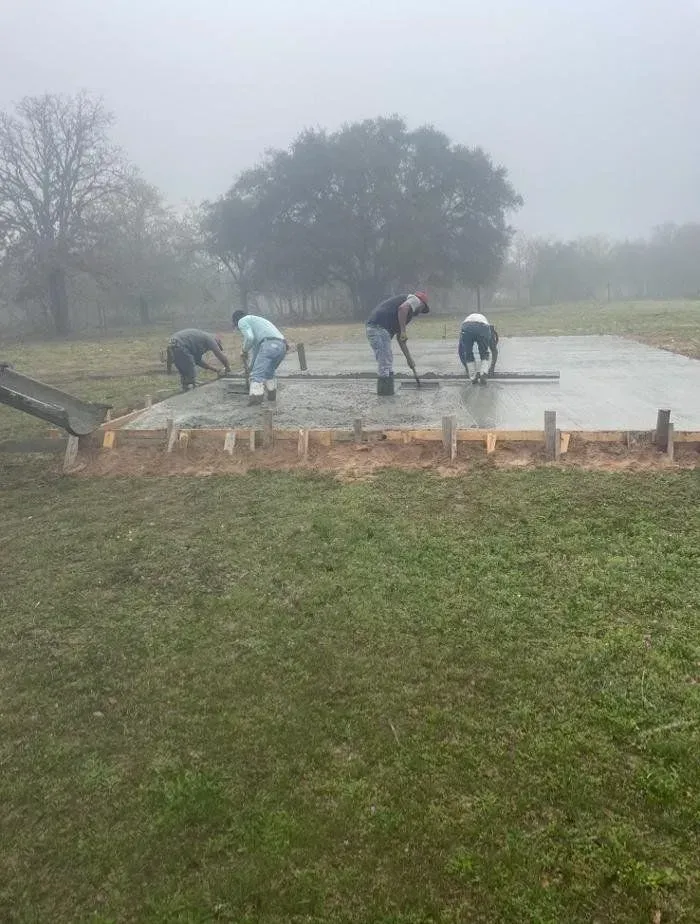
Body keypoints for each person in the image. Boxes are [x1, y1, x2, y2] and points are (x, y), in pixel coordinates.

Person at [366, 292, 430, 395]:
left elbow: (401, 339)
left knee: (387, 360)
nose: (420, 312)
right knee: (385, 361)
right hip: (378, 328)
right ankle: (385, 394)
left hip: (379, 329)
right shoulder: (414, 299)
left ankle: (387, 391)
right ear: (422, 304)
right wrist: (404, 331)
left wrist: (409, 359)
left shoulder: (405, 316)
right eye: (422, 309)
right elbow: (402, 308)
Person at [231, 310, 288, 405]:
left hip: (269, 345)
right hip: (282, 346)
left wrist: (244, 350)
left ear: (236, 321)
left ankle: (255, 401)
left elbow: (249, 338)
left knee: (257, 375)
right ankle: (271, 397)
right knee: (269, 372)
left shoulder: (242, 321)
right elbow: (256, 354)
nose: (239, 330)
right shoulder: (258, 325)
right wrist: (250, 368)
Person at [458, 312, 499, 385]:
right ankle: (483, 374)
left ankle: (473, 377)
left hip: (466, 327)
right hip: (482, 327)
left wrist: (466, 368)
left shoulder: (467, 322)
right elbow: (494, 350)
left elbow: (460, 351)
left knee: (468, 353)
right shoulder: (489, 328)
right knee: (484, 354)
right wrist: (492, 367)